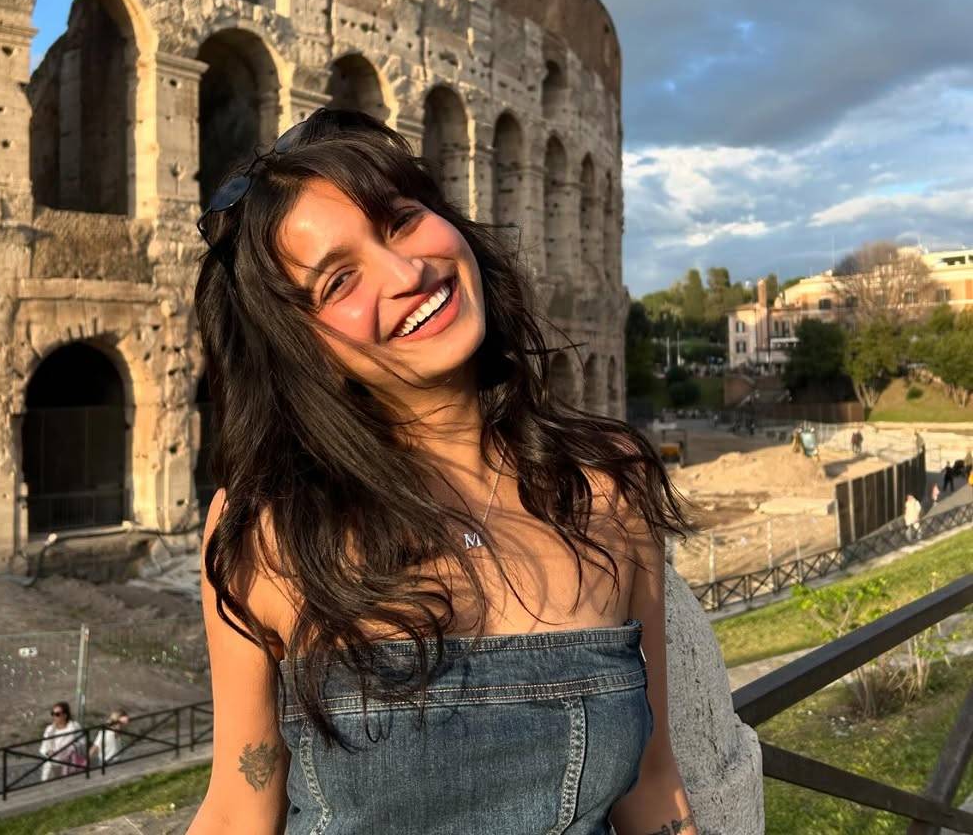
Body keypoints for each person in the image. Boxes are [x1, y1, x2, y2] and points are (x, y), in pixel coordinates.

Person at [188, 109, 699, 835]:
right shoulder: (270, 531)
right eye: (339, 281)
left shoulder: (606, 492)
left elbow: (653, 784)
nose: (407, 273)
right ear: (303, 348)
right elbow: (240, 808)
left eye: (400, 222)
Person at [39, 700, 84, 782]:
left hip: (68, 763)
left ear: (65, 715)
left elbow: (82, 742)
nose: (54, 716)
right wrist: (48, 752)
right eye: (52, 714)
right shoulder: (49, 729)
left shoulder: (74, 727)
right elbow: (43, 747)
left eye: (57, 714)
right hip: (51, 764)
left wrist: (70, 749)